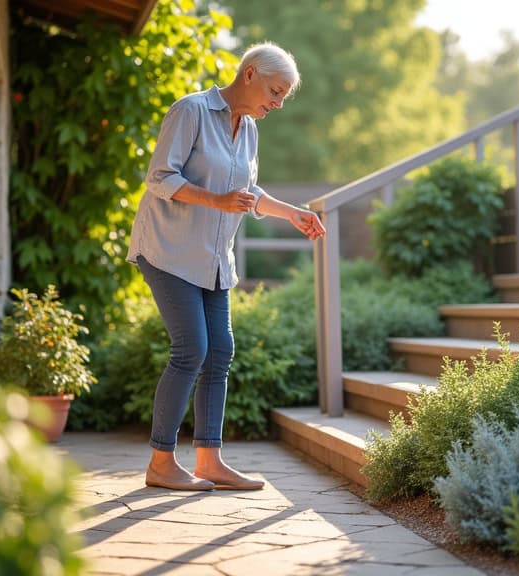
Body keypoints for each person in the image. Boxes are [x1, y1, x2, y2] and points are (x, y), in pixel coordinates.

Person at [126, 42, 325, 491]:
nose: (277, 104)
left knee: (220, 353)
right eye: (275, 92)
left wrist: (293, 212)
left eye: (283, 97)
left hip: (214, 258)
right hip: (169, 249)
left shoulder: (250, 129)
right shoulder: (191, 111)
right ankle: (160, 462)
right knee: (190, 350)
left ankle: (209, 460)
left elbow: (248, 192)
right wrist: (213, 199)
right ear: (250, 74)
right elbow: (159, 177)